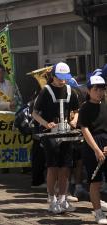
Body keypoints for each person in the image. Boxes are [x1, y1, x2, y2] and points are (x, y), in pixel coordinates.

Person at [32, 62, 79, 213]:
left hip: (66, 132)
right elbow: (34, 113)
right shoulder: (45, 91)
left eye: (65, 77)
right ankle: (52, 199)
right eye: (60, 77)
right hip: (50, 134)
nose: (62, 80)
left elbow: (76, 111)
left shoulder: (71, 90)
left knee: (65, 168)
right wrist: (46, 124)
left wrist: (74, 121)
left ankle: (63, 199)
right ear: (53, 76)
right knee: (53, 167)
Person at [78, 75, 107, 224]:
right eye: (96, 89)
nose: (100, 92)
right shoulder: (85, 108)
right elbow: (85, 129)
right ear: (89, 90)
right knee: (95, 181)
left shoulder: (105, 105)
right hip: (92, 145)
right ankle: (97, 213)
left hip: (106, 142)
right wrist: (97, 149)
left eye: (102, 89)